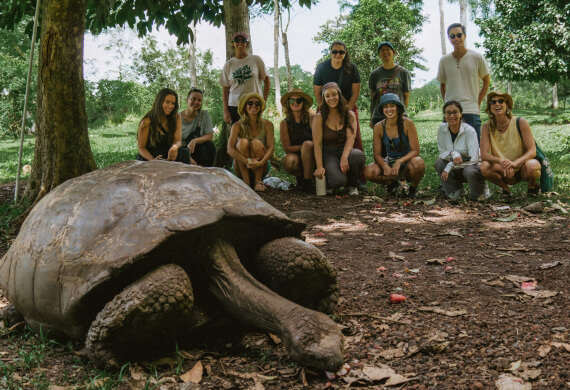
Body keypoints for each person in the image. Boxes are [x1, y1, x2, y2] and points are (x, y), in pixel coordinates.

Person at [313, 41, 366, 189]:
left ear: (345, 53)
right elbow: (317, 90)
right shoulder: (322, 67)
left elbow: (355, 92)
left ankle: (359, 180)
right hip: (326, 106)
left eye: (341, 52)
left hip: (347, 107)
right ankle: (323, 171)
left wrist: (345, 111)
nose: (337, 55)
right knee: (324, 138)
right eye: (334, 52)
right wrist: (325, 108)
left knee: (356, 143)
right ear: (330, 52)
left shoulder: (352, 68)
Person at [480, 92, 541, 198]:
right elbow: (484, 155)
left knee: (533, 165)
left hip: (522, 167)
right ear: (490, 107)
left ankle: (532, 187)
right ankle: (505, 188)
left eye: (501, 101)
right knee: (484, 166)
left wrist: (515, 163)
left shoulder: (520, 122)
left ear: (507, 105)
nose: (497, 104)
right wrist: (502, 161)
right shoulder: (486, 126)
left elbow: (532, 151)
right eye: (493, 102)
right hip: (503, 168)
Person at [364, 93, 424, 198]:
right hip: (390, 162)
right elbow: (377, 154)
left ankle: (413, 189)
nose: (389, 109)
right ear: (382, 110)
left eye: (392, 106)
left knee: (418, 162)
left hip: (407, 163)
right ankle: (392, 185)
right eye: (385, 107)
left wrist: (399, 161)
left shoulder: (408, 123)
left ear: (397, 108)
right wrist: (385, 166)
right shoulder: (378, 127)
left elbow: (415, 150)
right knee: (369, 171)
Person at [437, 23, 490, 142]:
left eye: (459, 35)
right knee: (451, 148)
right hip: (451, 112)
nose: (456, 38)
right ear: (449, 38)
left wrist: (478, 101)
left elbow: (486, 82)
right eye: (452, 36)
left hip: (471, 110)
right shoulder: (444, 61)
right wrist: (447, 103)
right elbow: (442, 84)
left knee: (474, 148)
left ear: (464, 36)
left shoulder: (477, 57)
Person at [312, 82, 365, 196]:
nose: (331, 98)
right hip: (328, 153)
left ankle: (352, 185)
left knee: (358, 155)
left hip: (344, 150)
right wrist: (320, 167)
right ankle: (331, 180)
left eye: (334, 94)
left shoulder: (349, 114)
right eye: (327, 96)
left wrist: (345, 157)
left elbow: (351, 138)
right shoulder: (319, 117)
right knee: (338, 181)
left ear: (339, 95)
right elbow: (317, 144)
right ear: (324, 98)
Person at [434, 100, 486, 200]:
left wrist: (450, 165)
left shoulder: (469, 131)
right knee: (439, 163)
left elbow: (474, 159)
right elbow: (442, 152)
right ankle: (455, 191)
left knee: (470, 170)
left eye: (455, 112)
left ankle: (479, 193)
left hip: (470, 166)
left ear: (461, 113)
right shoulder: (442, 129)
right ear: (444, 115)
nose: (452, 116)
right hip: (455, 165)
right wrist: (454, 154)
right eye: (448, 113)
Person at [220, 32, 270, 125]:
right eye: (237, 40)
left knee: (254, 134)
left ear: (247, 44)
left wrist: (263, 101)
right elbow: (225, 88)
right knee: (237, 135)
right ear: (233, 43)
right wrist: (225, 110)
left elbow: (267, 81)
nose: (240, 43)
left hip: (254, 105)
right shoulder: (229, 64)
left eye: (243, 40)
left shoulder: (256, 60)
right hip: (235, 106)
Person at [227, 92, 275, 192]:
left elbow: (271, 148)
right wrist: (247, 161)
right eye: (250, 103)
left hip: (261, 165)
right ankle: (246, 182)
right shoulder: (236, 126)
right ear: (245, 106)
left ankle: (258, 181)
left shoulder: (268, 125)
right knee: (242, 142)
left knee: (256, 143)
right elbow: (230, 149)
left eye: (257, 104)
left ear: (260, 107)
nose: (254, 106)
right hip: (241, 165)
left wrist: (260, 162)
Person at [136, 88, 190, 164]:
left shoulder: (176, 118)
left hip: (166, 153)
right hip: (149, 156)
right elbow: (141, 148)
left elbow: (177, 140)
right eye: (167, 102)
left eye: (173, 103)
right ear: (160, 102)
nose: (170, 106)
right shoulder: (147, 121)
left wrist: (174, 147)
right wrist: (153, 161)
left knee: (184, 152)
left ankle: (185, 175)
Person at [279, 88, 316, 192]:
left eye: (299, 100)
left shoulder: (312, 118)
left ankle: (308, 181)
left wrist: (307, 148)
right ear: (288, 103)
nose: (295, 103)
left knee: (308, 144)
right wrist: (304, 148)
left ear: (303, 103)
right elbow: (287, 148)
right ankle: (300, 178)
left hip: (314, 154)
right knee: (288, 160)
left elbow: (318, 139)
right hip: (296, 156)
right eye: (292, 100)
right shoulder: (285, 124)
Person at [369, 42, 412, 128]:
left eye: (388, 49)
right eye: (382, 50)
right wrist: (371, 117)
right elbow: (373, 98)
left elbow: (406, 96)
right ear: (379, 55)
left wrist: (401, 113)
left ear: (394, 52)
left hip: (398, 116)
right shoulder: (374, 75)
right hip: (379, 117)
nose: (385, 52)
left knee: (399, 141)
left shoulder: (403, 73)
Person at [180, 88, 216, 167]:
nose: (196, 102)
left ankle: (206, 171)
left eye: (199, 100)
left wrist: (195, 140)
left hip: (199, 152)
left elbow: (209, 135)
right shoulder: (177, 117)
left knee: (209, 146)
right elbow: (175, 143)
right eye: (193, 99)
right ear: (187, 100)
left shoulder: (204, 115)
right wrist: (191, 162)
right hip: (183, 153)